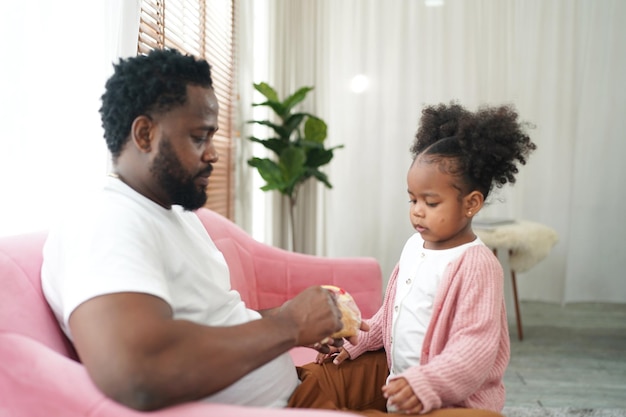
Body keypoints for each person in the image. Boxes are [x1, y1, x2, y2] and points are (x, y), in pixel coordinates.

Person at [41, 48, 354, 411]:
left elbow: (213, 322)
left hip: (305, 383)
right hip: (286, 406)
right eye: (198, 137)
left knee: (411, 362)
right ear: (145, 134)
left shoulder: (173, 210)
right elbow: (138, 373)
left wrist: (299, 318)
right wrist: (289, 326)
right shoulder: (105, 220)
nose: (213, 154)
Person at [314, 102, 537, 415]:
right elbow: (393, 312)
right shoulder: (413, 245)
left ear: (471, 203)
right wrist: (357, 341)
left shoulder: (477, 266)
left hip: (455, 402)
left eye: (431, 202)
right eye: (412, 199)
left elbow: (475, 349)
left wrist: (427, 383)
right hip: (405, 391)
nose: (417, 210)